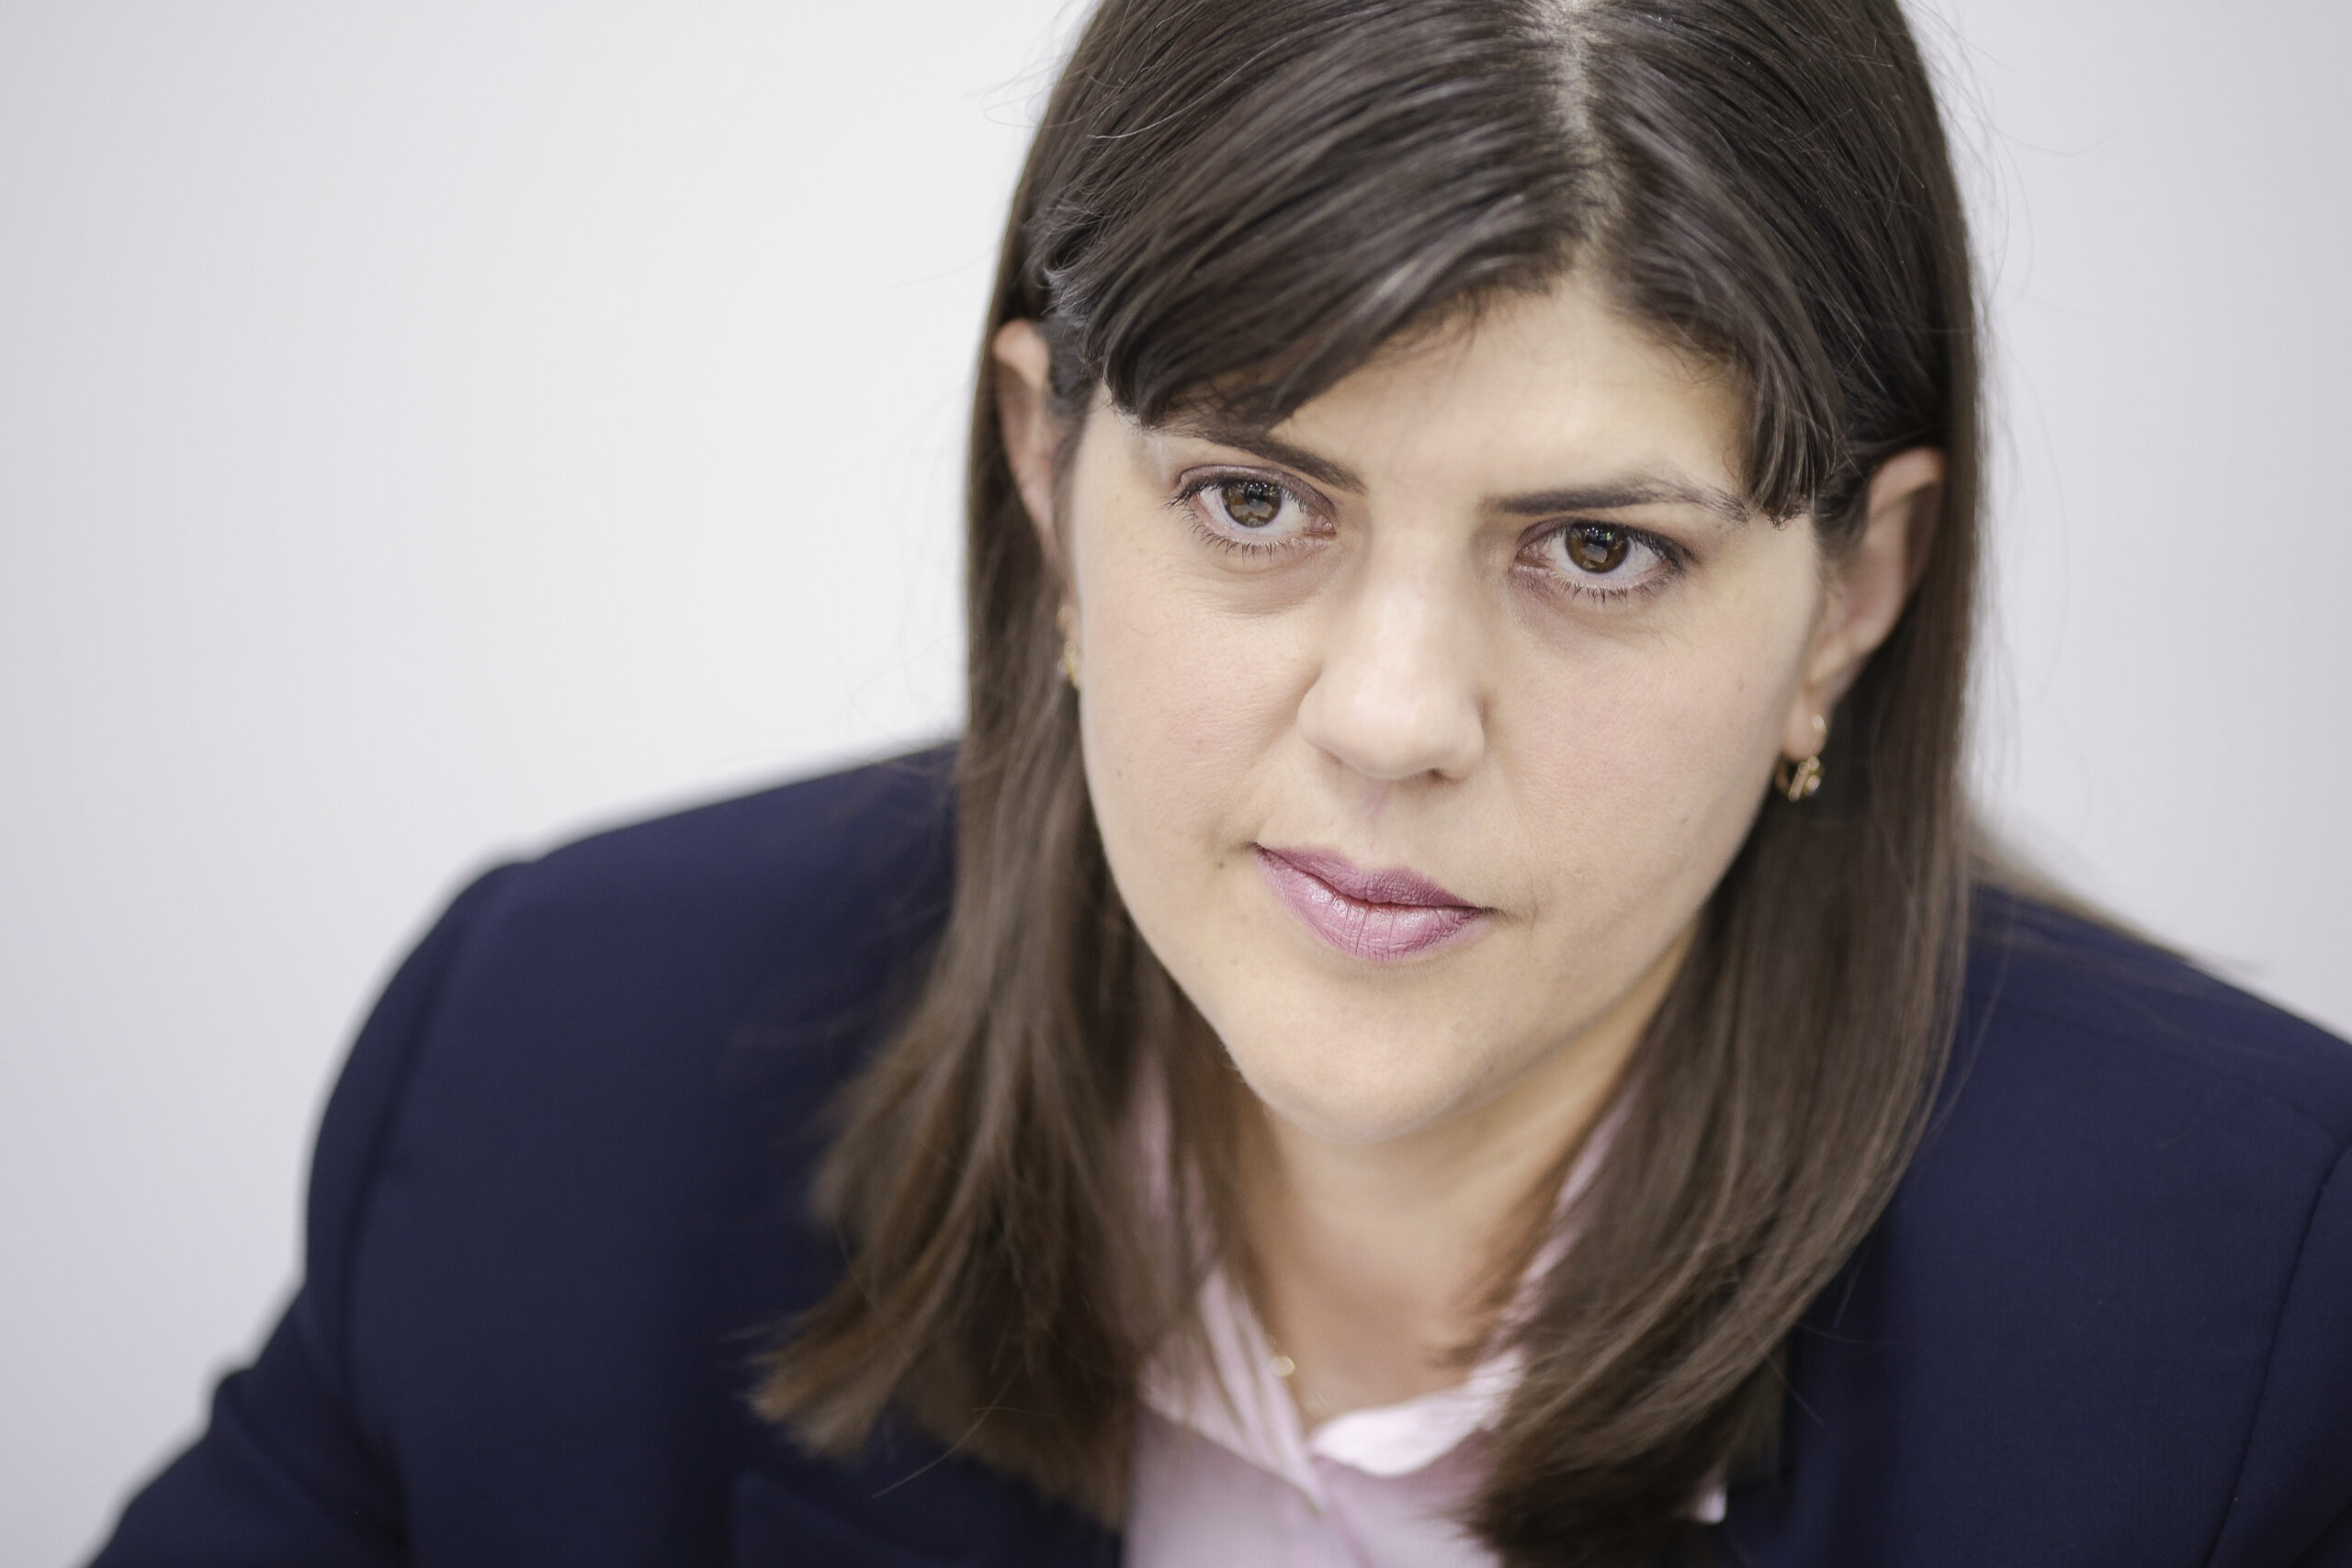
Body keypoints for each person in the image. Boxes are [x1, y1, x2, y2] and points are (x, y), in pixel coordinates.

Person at [89, 0, 2352, 1562]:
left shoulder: (2260, 1315)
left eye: (1594, 548)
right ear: (1043, 474)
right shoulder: (551, 1081)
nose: (1390, 714)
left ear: (1848, 597)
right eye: (1255, 501)